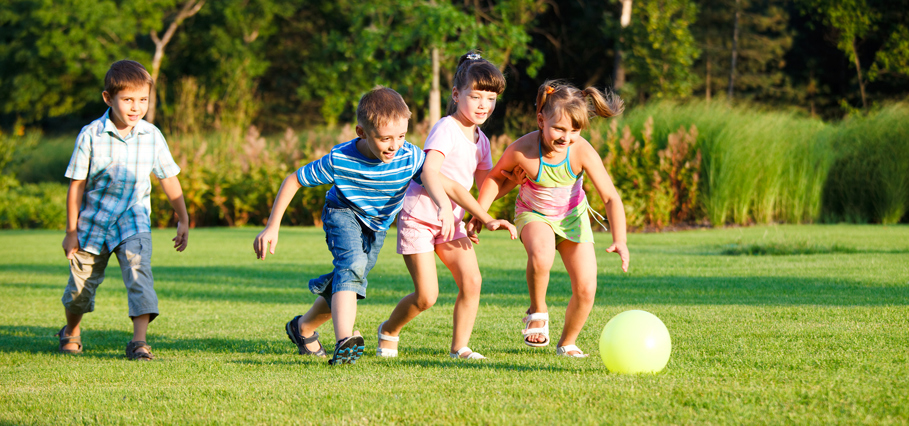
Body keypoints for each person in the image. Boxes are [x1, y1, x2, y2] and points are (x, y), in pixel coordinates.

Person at [253, 86, 515, 366]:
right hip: (343, 213)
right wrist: (272, 226)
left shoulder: (408, 156)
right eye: (385, 138)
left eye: (401, 136)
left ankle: (302, 328)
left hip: (376, 226)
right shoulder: (340, 160)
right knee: (352, 265)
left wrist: (484, 217)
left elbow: (448, 184)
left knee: (349, 279)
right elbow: (294, 179)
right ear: (362, 132)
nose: (394, 145)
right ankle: (345, 342)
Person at [472, 80, 630, 357]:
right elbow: (495, 179)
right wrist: (479, 214)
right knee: (542, 255)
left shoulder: (580, 150)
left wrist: (620, 239)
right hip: (533, 215)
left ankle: (567, 342)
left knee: (586, 288)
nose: (566, 137)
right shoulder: (524, 149)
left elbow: (611, 197)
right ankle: (538, 309)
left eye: (574, 130)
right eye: (558, 128)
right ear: (541, 119)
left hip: (572, 219)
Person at [375, 52, 508, 360]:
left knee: (472, 280)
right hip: (421, 216)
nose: (482, 105)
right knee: (426, 296)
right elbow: (430, 170)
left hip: (452, 223)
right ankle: (389, 330)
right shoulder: (446, 128)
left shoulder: (482, 140)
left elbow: (489, 183)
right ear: (456, 94)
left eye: (490, 98)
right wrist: (444, 206)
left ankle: (459, 348)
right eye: (475, 96)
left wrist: (481, 217)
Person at [58, 59, 189, 361]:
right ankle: (71, 330)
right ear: (108, 98)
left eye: (142, 99)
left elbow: (168, 178)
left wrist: (182, 218)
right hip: (93, 224)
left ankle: (139, 342)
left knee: (139, 274)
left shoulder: (152, 135)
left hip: (133, 220)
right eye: (128, 99)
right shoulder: (91, 135)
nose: (135, 107)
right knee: (80, 290)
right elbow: (76, 186)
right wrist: (71, 231)